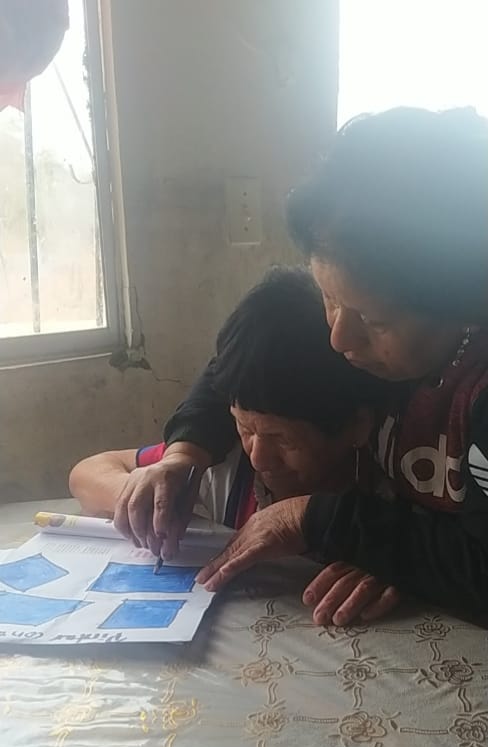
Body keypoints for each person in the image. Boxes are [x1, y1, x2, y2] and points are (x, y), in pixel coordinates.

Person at [195, 107, 488, 625]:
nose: (338, 337)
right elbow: (250, 368)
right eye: (329, 299)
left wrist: (316, 518)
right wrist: (184, 450)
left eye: (374, 320)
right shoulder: (368, 326)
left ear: (463, 306)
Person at [70, 267, 398, 623]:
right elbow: (87, 473)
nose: (258, 457)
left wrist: (395, 564)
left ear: (357, 426)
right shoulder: (221, 469)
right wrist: (143, 498)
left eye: (283, 439)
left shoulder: (396, 496)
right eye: (245, 427)